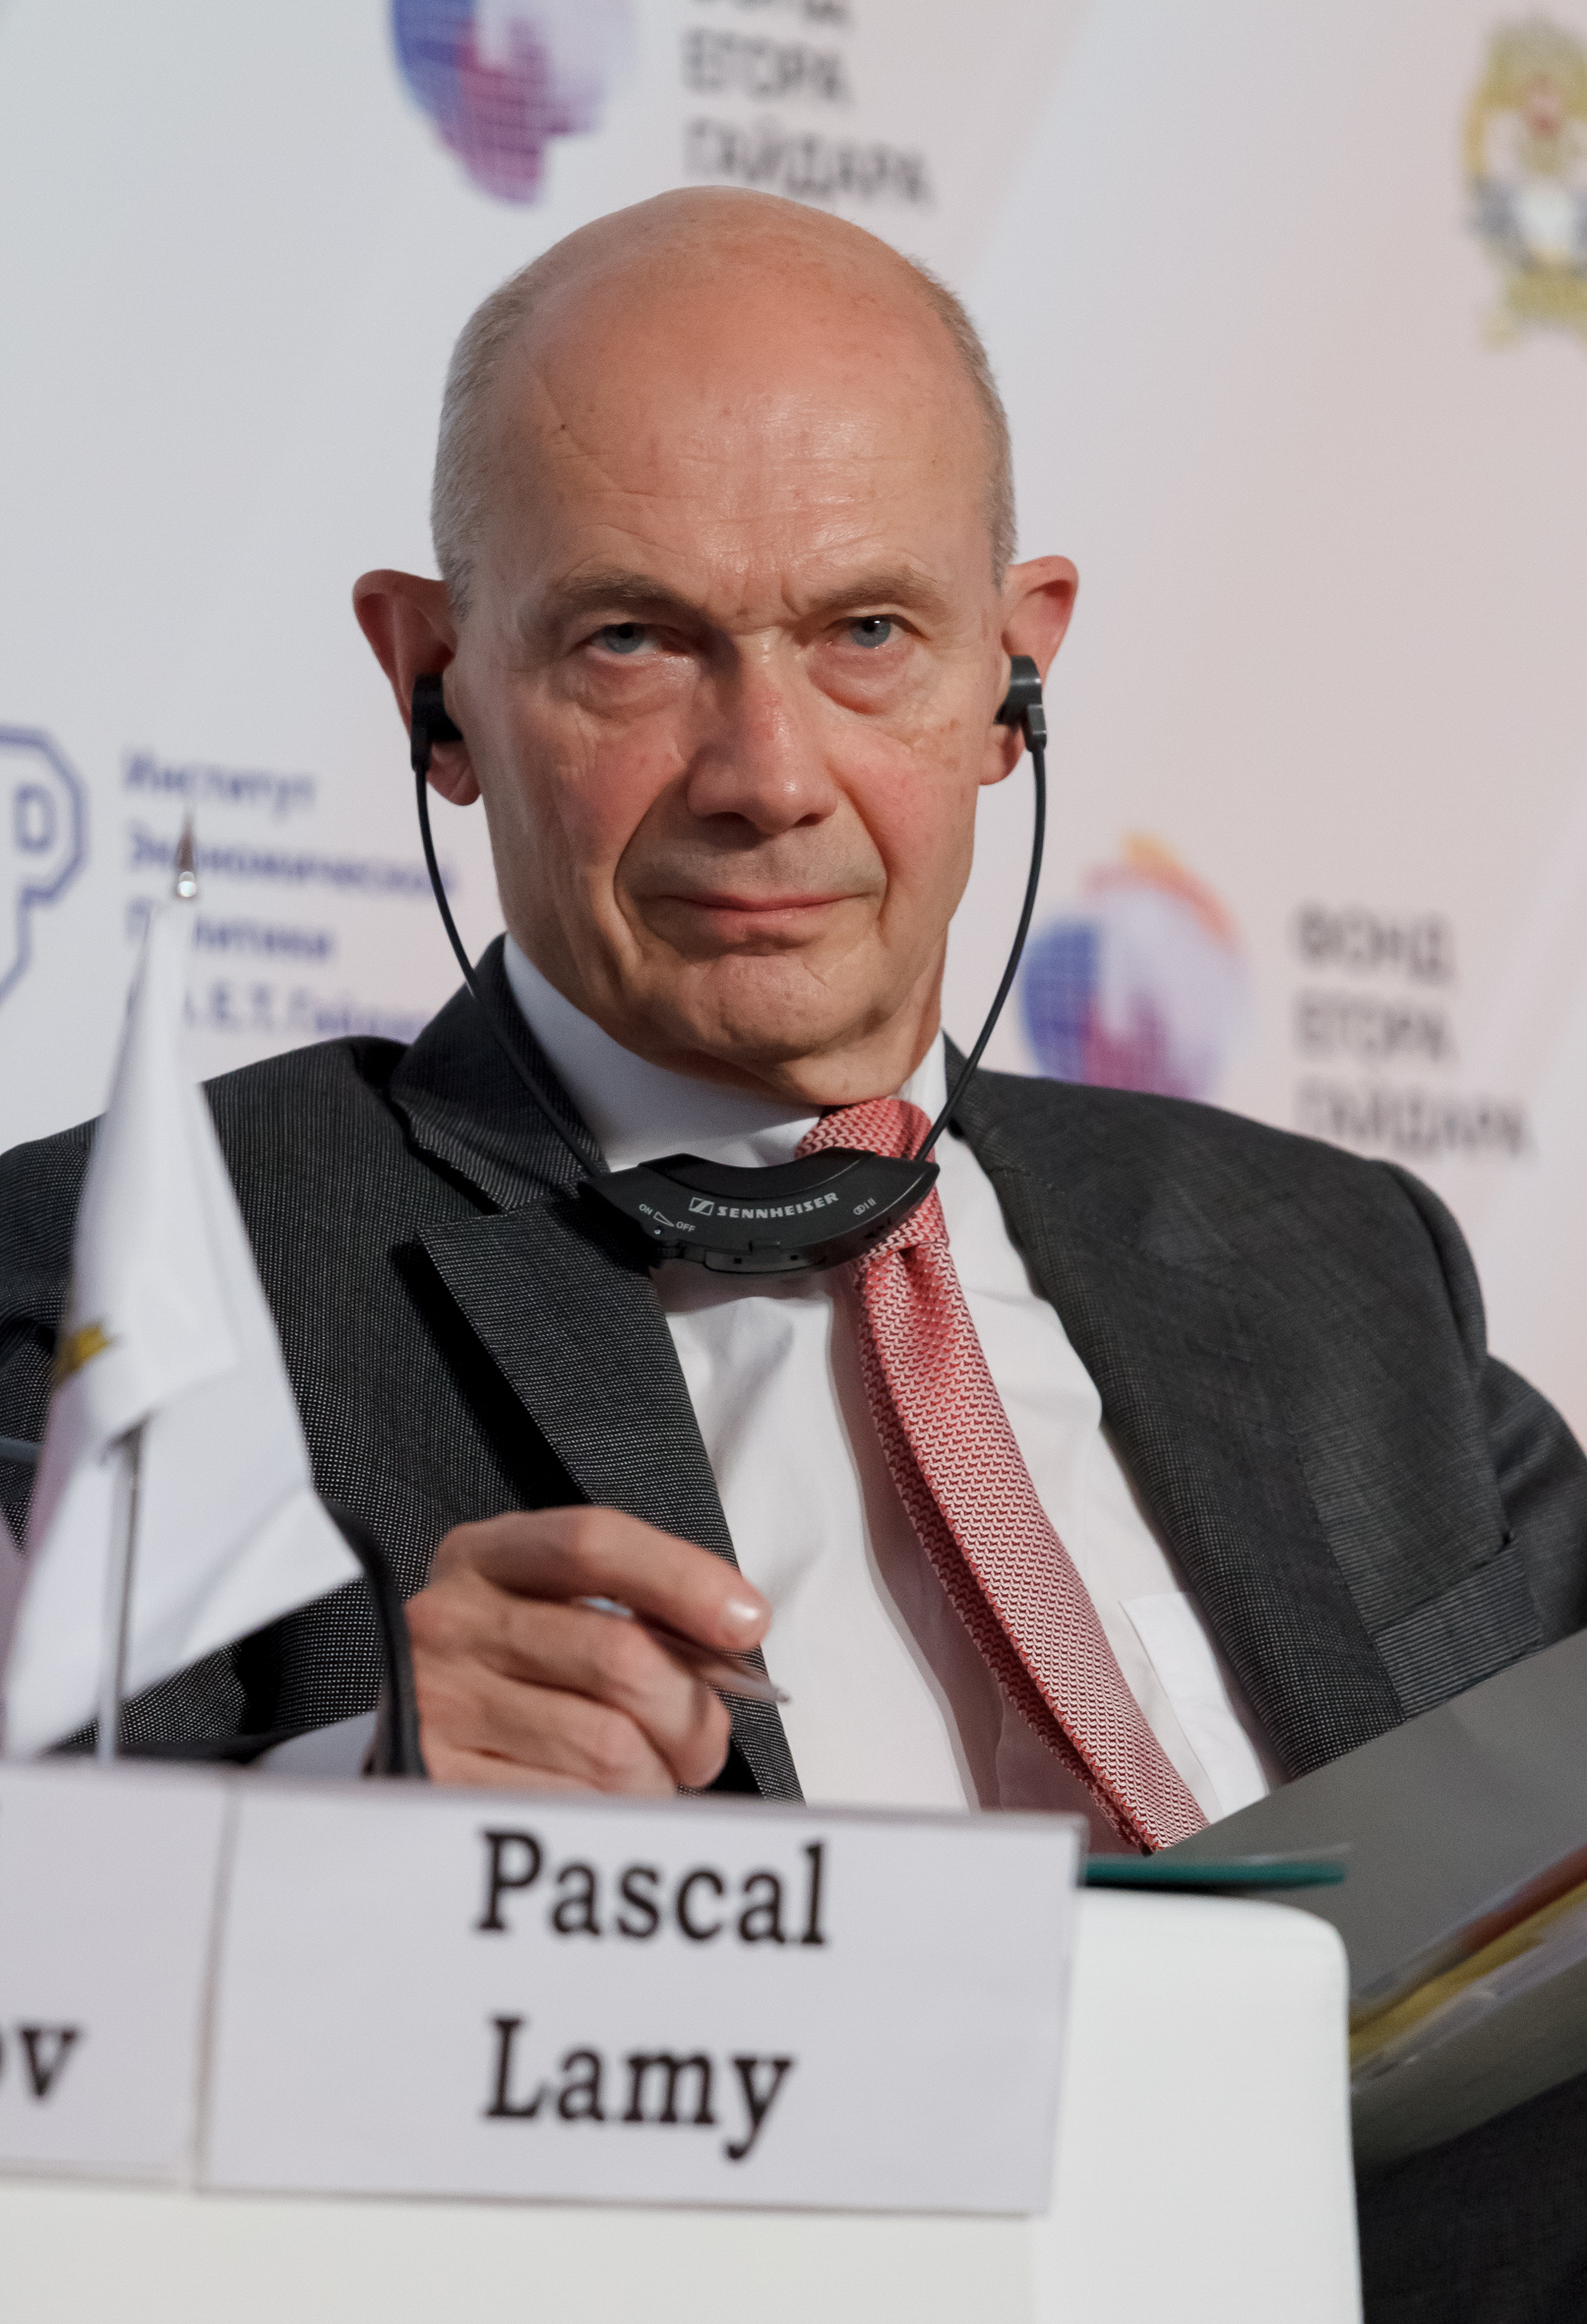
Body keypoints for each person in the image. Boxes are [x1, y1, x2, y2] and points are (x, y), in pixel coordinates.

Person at [3, 188, 1586, 2312]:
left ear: (1014, 670)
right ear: (434, 683)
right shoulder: (130, 1280)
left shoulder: (1336, 1260)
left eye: (867, 634)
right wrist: (334, 1820)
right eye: (631, 640)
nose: (766, 776)